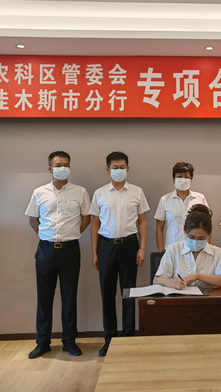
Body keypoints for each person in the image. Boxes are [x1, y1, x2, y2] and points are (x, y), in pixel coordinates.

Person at [25, 150, 91, 359]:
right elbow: (33, 219)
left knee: (69, 297)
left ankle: (69, 341)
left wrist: (72, 234)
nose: (62, 168)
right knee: (44, 298)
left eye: (65, 165)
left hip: (70, 250)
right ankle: (42, 342)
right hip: (46, 250)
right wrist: (46, 236)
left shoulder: (80, 192)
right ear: (50, 168)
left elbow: (86, 218)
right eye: (58, 165)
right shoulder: (39, 192)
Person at [90, 151, 149, 357]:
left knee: (128, 293)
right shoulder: (99, 193)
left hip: (129, 245)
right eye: (115, 168)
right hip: (106, 246)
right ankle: (109, 339)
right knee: (107, 294)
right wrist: (95, 252)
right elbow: (95, 224)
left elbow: (142, 221)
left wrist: (142, 248)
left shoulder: (137, 192)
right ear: (108, 170)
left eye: (122, 167)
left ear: (128, 168)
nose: (119, 171)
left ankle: (128, 337)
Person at [154, 204, 221, 289]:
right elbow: (157, 280)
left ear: (209, 235)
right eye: (191, 237)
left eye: (201, 238)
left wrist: (198, 276)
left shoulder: (217, 253)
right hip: (179, 296)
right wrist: (172, 283)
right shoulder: (173, 249)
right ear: (184, 231)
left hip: (207, 297)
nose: (196, 242)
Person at [154, 162, 209, 251]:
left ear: (191, 179)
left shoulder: (200, 198)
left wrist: (206, 249)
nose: (183, 179)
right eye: (179, 176)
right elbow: (159, 229)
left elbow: (207, 226)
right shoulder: (165, 200)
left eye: (186, 177)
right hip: (172, 250)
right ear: (173, 179)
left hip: (195, 249)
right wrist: (160, 252)